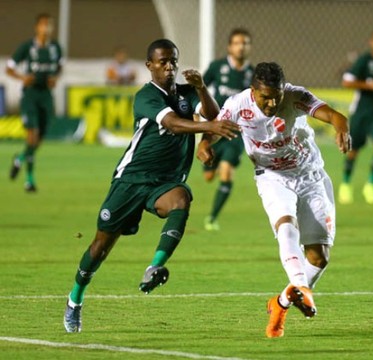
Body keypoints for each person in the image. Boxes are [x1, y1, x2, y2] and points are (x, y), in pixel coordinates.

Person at [62, 39, 241, 333]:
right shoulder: (146, 96)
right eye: (162, 62)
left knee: (182, 199)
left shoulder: (185, 93)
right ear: (149, 66)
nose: (169, 67)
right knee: (100, 247)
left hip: (166, 182)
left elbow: (212, 113)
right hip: (131, 180)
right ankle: (75, 300)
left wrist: (201, 87)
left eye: (173, 61)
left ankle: (154, 266)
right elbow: (172, 123)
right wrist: (208, 129)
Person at [205, 62, 350, 338]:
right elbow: (215, 128)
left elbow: (332, 115)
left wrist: (342, 127)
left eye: (276, 97)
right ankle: (301, 287)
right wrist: (204, 145)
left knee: (319, 257)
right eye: (265, 97)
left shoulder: (296, 96)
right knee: (286, 226)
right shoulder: (237, 104)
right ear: (253, 91)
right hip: (272, 176)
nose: (271, 103)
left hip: (311, 176)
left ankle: (281, 302)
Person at [201, 28, 253, 231]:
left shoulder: (254, 73)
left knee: (226, 171)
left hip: (237, 132)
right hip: (215, 128)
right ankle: (208, 165)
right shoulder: (217, 67)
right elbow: (200, 88)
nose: (242, 47)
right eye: (238, 43)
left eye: (245, 43)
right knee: (208, 176)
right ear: (230, 47)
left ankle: (212, 218)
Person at [6, 13, 64, 192]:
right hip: (30, 96)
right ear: (37, 27)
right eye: (44, 25)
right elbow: (9, 68)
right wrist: (23, 78)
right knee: (32, 136)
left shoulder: (55, 47)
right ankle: (29, 181)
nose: (47, 28)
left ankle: (20, 159)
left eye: (50, 25)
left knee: (38, 140)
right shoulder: (27, 47)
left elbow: (60, 66)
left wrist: (55, 77)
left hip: (46, 96)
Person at [339, 29, 373, 205]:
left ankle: (371, 185)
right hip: (361, 112)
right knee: (353, 151)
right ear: (371, 42)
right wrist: (369, 85)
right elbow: (346, 81)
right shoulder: (363, 61)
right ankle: (346, 185)